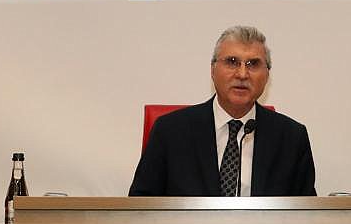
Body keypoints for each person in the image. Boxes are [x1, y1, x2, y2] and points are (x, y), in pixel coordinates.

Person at [129, 25, 316, 196]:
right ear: (213, 70)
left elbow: (307, 214)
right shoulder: (170, 132)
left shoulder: (292, 138)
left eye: (253, 64)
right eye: (232, 62)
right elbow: (140, 206)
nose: (242, 74)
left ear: (267, 75)